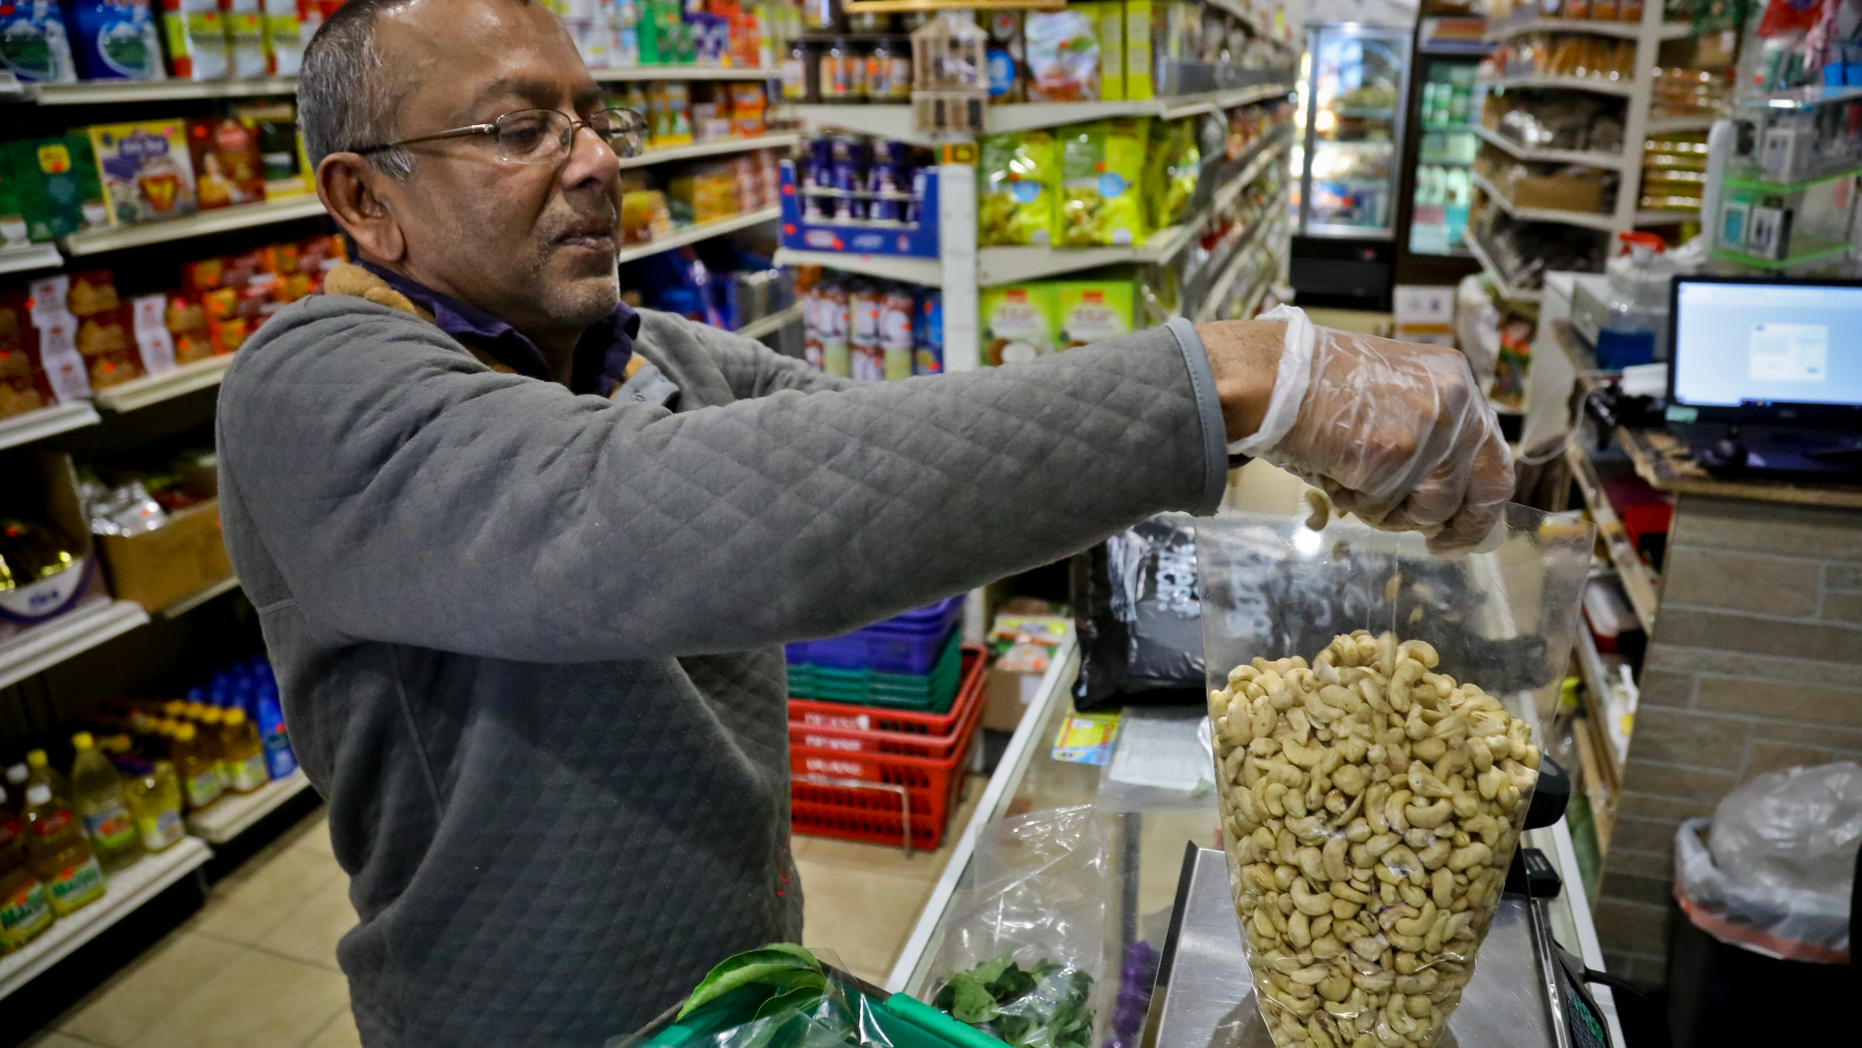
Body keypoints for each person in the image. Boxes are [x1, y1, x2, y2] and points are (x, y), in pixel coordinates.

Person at [214, 0, 1512, 1044]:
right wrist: (1224, 376)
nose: (598, 158)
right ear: (363, 199)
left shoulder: (640, 349)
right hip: (528, 1016)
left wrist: (1213, 501)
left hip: (745, 976)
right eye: (517, 128)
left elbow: (890, 463)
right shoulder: (311, 389)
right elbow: (641, 522)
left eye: (594, 117)